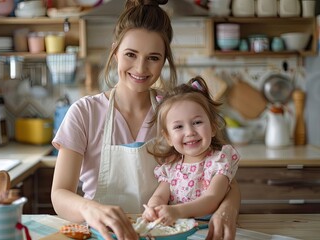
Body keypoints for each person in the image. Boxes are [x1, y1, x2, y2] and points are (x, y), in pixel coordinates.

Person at [51, 0, 240, 239]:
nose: (140, 68)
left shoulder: (175, 114)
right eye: (131, 54)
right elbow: (59, 195)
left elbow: (222, 175)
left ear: (164, 61)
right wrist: (90, 208)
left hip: (169, 234)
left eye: (153, 57)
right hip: (104, 235)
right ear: (115, 52)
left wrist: (227, 208)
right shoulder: (84, 113)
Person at [142, 76, 240, 227]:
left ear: (213, 127)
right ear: (168, 137)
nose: (189, 132)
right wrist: (153, 209)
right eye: (178, 127)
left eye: (197, 122)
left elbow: (211, 199)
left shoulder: (219, 161)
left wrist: (176, 212)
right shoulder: (171, 167)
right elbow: (160, 196)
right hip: (178, 231)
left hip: (210, 230)